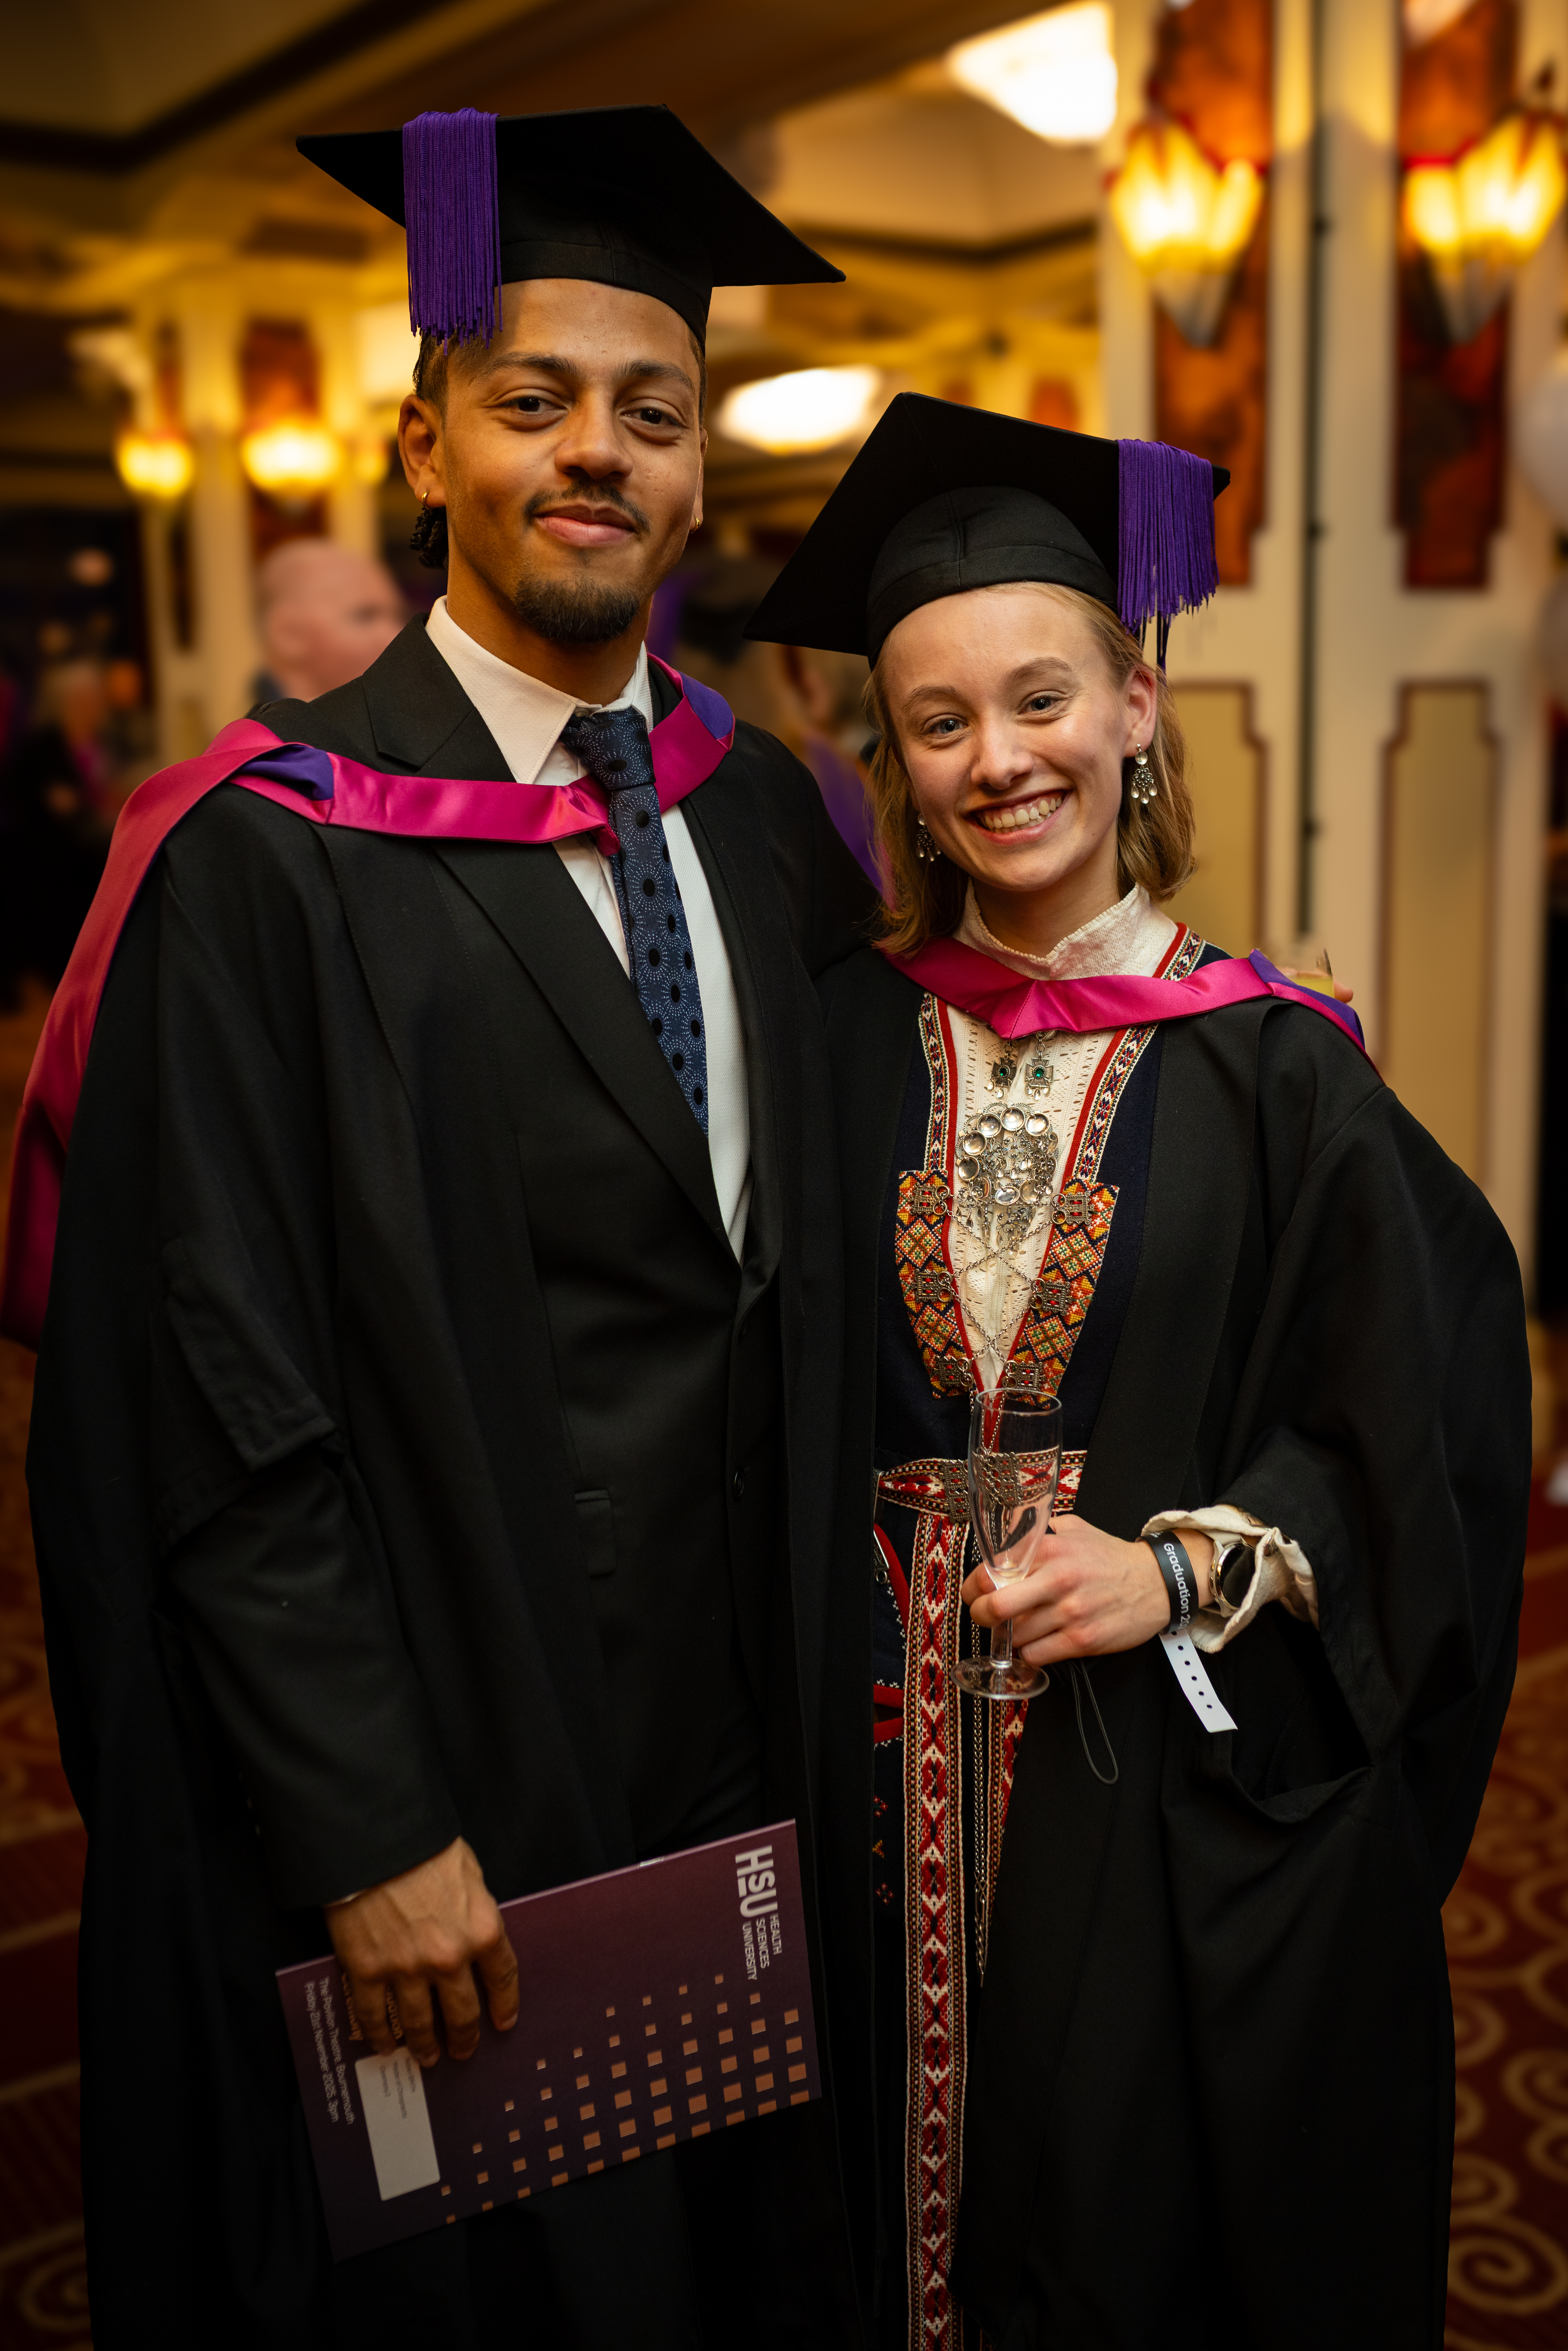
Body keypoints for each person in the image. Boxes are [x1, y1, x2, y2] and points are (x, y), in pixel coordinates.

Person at [8, 106, 875, 2349]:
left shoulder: (766, 814)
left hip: (748, 1723)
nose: (593, 452)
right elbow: (218, 1376)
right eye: (529, 401)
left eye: (648, 412)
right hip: (462, 1761)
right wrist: (363, 1819)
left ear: (694, 474)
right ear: (423, 445)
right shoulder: (271, 861)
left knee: (727, 2258)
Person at [746, 394, 1529, 2351]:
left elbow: (1417, 1416)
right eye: (941, 723)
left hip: (1151, 1787)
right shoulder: (836, 1039)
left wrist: (1175, 1566)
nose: (999, 758)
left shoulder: (1281, 1066)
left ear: (1137, 702)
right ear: (901, 773)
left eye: (1040, 699)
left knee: (1117, 2235)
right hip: (861, 1777)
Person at [253, 537, 409, 704]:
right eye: (365, 616)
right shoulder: (252, 731)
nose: (398, 635)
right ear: (289, 633)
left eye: (399, 616)